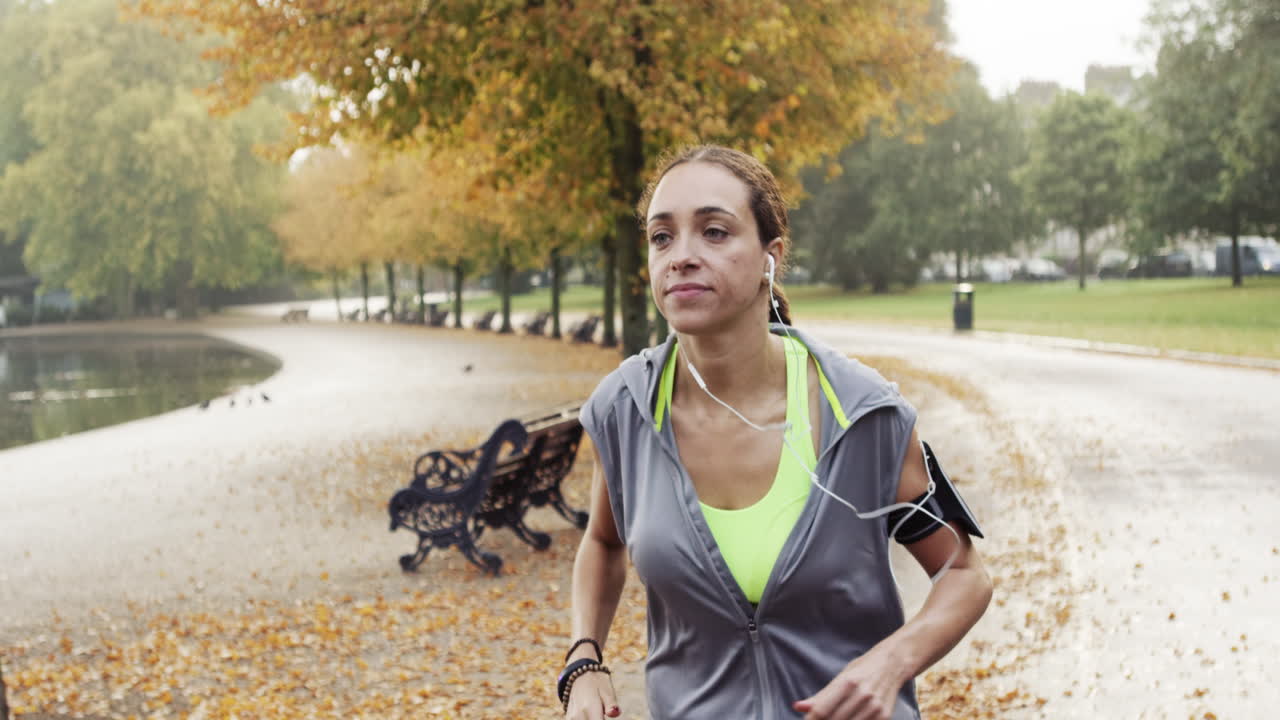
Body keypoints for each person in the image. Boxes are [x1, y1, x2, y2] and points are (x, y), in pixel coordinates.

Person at [561, 145, 993, 720]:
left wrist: (891, 662)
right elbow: (603, 542)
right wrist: (584, 658)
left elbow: (962, 574)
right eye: (661, 237)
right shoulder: (624, 409)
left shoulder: (862, 415)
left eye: (714, 232)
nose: (681, 256)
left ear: (771, 256)